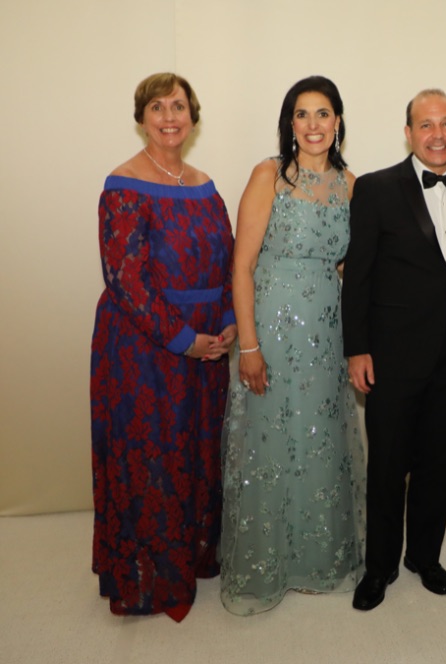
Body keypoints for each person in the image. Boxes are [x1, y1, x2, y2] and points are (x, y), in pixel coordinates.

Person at [217, 76, 366, 615]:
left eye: (323, 113)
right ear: (289, 124)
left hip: (328, 333)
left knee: (321, 439)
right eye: (302, 115)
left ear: (339, 121)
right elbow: (241, 266)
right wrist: (250, 347)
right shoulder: (269, 176)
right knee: (271, 440)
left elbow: (354, 268)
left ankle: (316, 558)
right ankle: (266, 562)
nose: (313, 125)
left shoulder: (353, 185)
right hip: (272, 332)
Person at [90, 73, 235, 621]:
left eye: (179, 106)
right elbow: (126, 278)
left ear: (193, 117)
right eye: (158, 106)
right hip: (143, 348)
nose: (169, 116)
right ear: (141, 117)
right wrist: (183, 341)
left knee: (197, 456)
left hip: (208, 348)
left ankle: (194, 559)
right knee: (151, 457)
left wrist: (224, 324)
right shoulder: (122, 183)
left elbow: (225, 260)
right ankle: (148, 580)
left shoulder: (203, 183)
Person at [342, 89, 446, 611]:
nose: (438, 133)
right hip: (393, 356)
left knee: (438, 465)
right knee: (388, 467)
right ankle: (378, 567)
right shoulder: (378, 189)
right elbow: (356, 277)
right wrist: (357, 349)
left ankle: (424, 556)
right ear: (408, 133)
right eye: (426, 125)